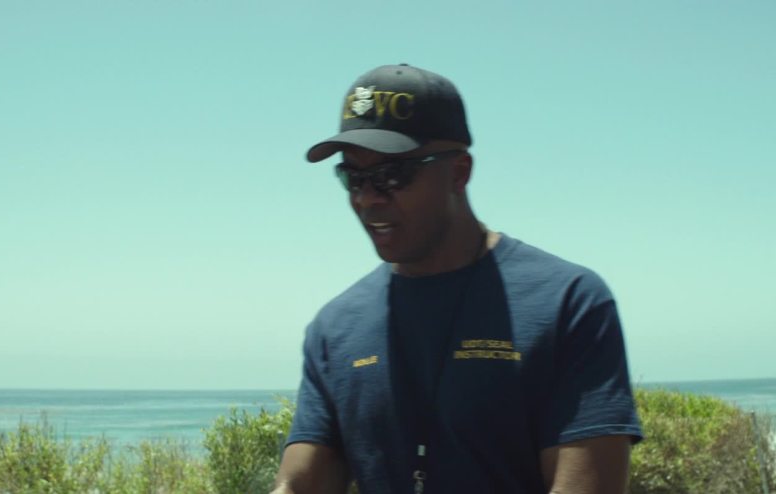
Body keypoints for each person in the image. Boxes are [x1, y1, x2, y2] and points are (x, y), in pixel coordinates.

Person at [272, 64, 643, 494]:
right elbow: (299, 485)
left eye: (392, 175)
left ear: (459, 172)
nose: (368, 198)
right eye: (353, 178)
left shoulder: (569, 303)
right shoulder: (334, 329)